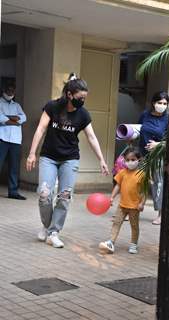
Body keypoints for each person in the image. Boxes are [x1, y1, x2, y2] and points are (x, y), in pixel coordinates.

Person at [26, 73, 109, 248]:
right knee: (44, 194)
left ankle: (54, 232)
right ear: (70, 94)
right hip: (49, 156)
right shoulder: (52, 107)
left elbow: (92, 137)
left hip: (70, 158)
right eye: (80, 97)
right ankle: (47, 226)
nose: (83, 101)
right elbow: (40, 129)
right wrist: (32, 153)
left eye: (85, 98)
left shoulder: (83, 114)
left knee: (64, 197)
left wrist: (101, 159)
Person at [99, 147, 145, 254]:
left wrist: (142, 203)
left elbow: (144, 191)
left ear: (139, 160)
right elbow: (117, 186)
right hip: (122, 205)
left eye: (133, 160)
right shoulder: (122, 173)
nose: (130, 162)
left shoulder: (142, 175)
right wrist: (111, 197)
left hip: (134, 206)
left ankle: (133, 244)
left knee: (134, 226)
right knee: (116, 223)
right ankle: (111, 242)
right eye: (127, 160)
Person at [138, 91, 169, 225]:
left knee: (158, 184)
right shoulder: (145, 115)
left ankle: (161, 214)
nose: (162, 105)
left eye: (165, 103)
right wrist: (129, 137)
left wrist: (158, 144)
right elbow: (139, 129)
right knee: (139, 182)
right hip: (143, 154)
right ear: (153, 103)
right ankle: (134, 208)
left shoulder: (168, 119)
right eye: (159, 103)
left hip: (159, 156)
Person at [0, 83, 27, 200]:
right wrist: (15, 119)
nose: (11, 93)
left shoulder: (17, 105)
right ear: (3, 90)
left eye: (13, 91)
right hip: (2, 138)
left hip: (16, 140)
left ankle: (13, 192)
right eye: (9, 90)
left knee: (14, 167)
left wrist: (9, 117)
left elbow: (23, 118)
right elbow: (1, 119)